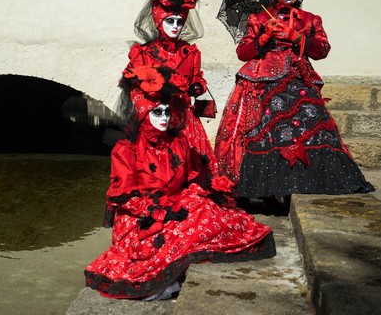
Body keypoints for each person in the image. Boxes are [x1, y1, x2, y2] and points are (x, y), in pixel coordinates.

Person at [85, 66, 275, 300]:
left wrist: (205, 193)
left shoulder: (178, 143)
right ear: (143, 113)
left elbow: (188, 181)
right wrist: (161, 213)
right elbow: (128, 199)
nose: (164, 118)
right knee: (169, 240)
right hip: (141, 218)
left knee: (216, 216)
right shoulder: (127, 151)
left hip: (175, 203)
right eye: (157, 113)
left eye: (167, 112)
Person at [214, 0, 374, 203]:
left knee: (309, 125)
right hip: (262, 82)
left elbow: (322, 50)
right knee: (264, 131)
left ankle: (301, 182)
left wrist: (299, 38)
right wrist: (264, 38)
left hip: (298, 80)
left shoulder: (310, 19)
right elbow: (243, 53)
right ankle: (266, 188)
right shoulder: (259, 18)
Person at [121, 0, 217, 184]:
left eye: (179, 21)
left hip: (186, 121)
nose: (175, 26)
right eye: (169, 20)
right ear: (158, 20)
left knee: (194, 178)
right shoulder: (144, 53)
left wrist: (197, 87)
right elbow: (132, 87)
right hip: (157, 122)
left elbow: (197, 78)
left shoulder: (190, 53)